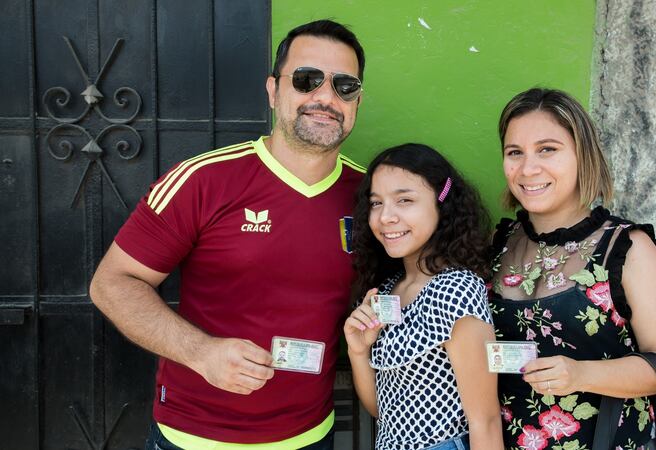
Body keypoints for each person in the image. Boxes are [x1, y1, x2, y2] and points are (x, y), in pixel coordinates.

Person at [89, 20, 366, 450]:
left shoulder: (371, 198)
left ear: (357, 100)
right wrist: (201, 353)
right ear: (274, 90)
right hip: (194, 437)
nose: (326, 97)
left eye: (344, 85)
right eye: (307, 79)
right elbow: (112, 284)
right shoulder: (205, 180)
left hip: (313, 435)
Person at [489, 88, 656, 449]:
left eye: (547, 149)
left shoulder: (627, 247)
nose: (528, 168)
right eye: (514, 153)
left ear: (583, 155)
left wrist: (581, 374)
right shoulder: (497, 244)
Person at [344, 143, 504, 450]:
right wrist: (358, 351)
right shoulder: (388, 289)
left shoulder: (456, 291)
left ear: (442, 204)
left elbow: (485, 420)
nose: (386, 217)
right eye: (376, 203)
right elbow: (384, 412)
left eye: (404, 200)